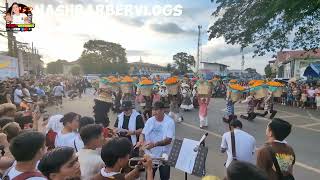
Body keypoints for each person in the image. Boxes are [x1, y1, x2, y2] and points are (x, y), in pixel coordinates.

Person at [136, 101, 175, 180]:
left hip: (164, 156)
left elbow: (168, 140)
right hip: (150, 156)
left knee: (164, 177)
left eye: (156, 110)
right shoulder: (150, 120)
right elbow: (143, 134)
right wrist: (140, 141)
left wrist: (154, 144)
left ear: (162, 110)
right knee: (149, 176)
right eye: (153, 110)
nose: (154, 112)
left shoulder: (170, 122)